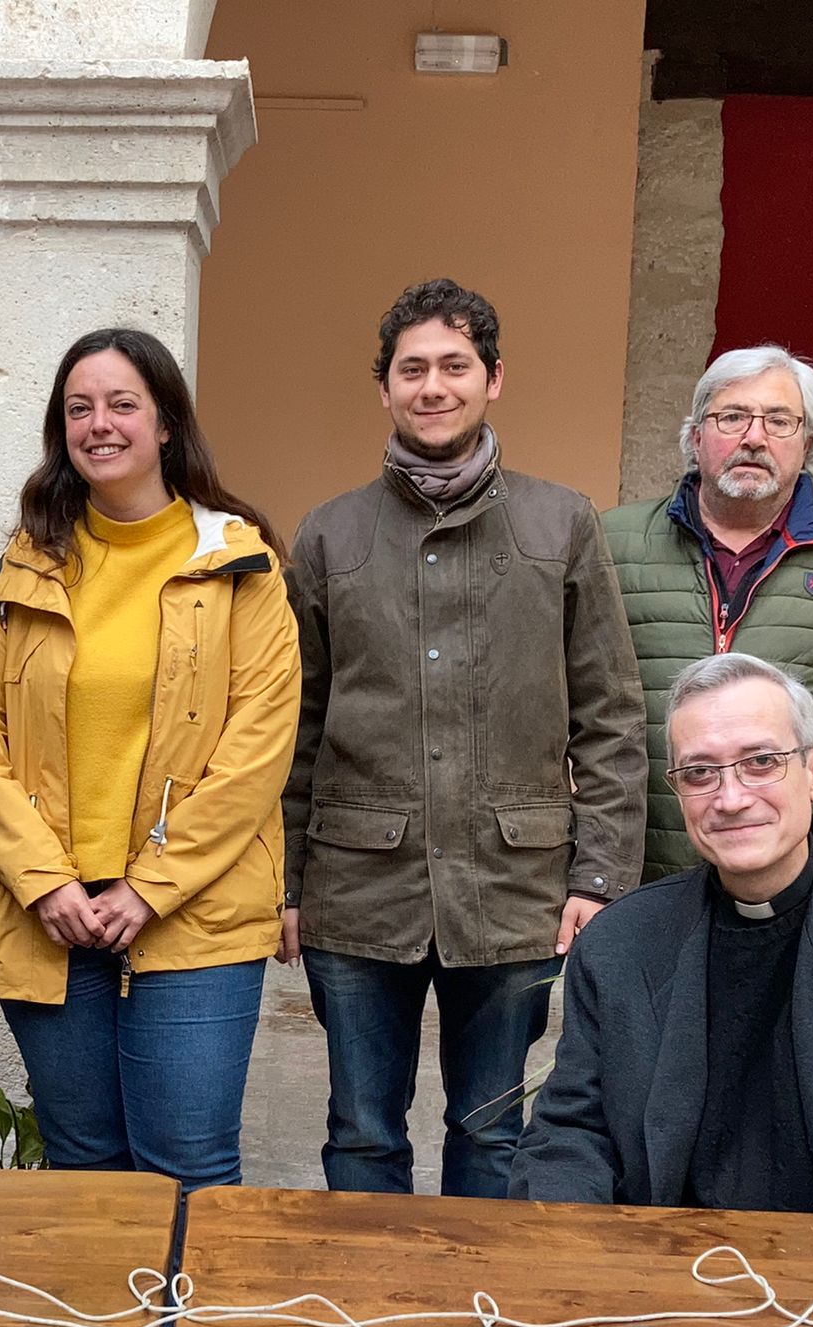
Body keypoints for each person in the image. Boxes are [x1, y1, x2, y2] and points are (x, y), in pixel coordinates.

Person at [279, 278, 648, 1199]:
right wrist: (282, 882)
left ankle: (478, 1322)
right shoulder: (330, 535)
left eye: (455, 365)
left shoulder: (559, 523)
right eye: (413, 369)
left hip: (515, 888)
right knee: (361, 1136)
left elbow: (609, 713)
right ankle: (370, 1321)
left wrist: (597, 877)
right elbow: (293, 728)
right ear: (385, 387)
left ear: (493, 379)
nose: (433, 386)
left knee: (493, 1137)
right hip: (360, 889)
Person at [0, 327, 300, 1191]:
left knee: (189, 1169)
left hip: (194, 919)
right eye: (79, 408)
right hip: (51, 917)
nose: (100, 424)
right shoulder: (19, 572)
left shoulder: (240, 565)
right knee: (85, 1172)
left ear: (167, 421)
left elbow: (256, 751)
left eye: (122, 404)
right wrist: (44, 881)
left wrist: (150, 886)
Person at [509, 653, 813, 1217]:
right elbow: (568, 1136)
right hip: (649, 1266)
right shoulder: (622, 942)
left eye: (761, 762)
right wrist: (588, 1263)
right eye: (699, 772)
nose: (730, 799)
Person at [603, 345, 813, 882]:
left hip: (804, 867)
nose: (754, 438)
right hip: (641, 861)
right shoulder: (608, 546)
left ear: (808, 443)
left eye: (779, 421)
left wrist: (779, 772)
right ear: (695, 437)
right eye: (731, 417)